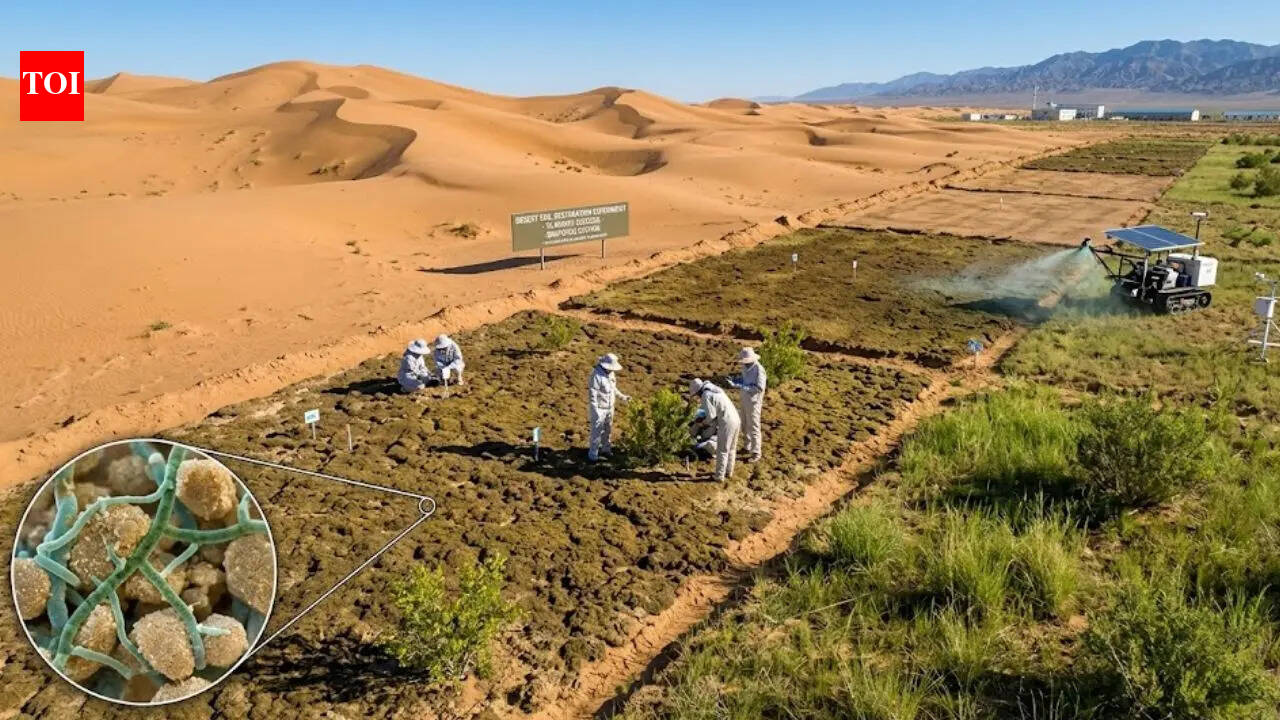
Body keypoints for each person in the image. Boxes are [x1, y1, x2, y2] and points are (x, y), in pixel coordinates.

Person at [689, 378, 741, 481]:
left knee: (722, 450)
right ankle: (728, 472)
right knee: (731, 448)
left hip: (727, 422)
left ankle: (719, 476)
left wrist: (701, 424)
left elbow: (710, 416)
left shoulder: (705, 395)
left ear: (697, 392)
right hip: (736, 418)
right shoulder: (715, 389)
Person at [587, 353, 629, 462]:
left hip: (610, 407)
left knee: (607, 430)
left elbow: (613, 389)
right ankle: (593, 455)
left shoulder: (611, 374)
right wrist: (595, 410)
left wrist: (623, 397)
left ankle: (606, 449)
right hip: (600, 408)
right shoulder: (596, 376)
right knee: (596, 432)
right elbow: (593, 395)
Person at [728, 347, 767, 462]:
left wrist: (741, 386)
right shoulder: (745, 367)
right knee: (744, 424)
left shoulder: (759, 370)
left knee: (754, 426)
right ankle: (747, 446)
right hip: (744, 399)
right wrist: (736, 381)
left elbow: (759, 388)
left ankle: (756, 452)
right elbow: (744, 379)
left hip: (754, 402)